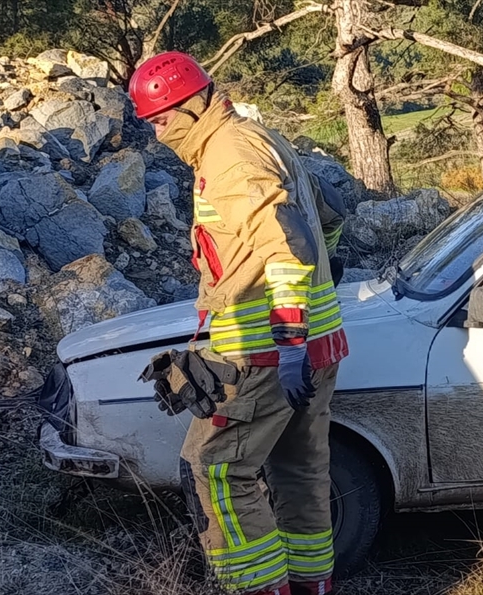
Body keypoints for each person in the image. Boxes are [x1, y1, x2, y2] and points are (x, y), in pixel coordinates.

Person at [129, 52, 349, 595]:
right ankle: (310, 586)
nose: (158, 136)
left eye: (160, 120)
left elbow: (283, 243)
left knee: (216, 472)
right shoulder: (259, 136)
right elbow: (328, 218)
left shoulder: (228, 155)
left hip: (264, 353)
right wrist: (313, 304)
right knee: (300, 473)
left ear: (193, 104)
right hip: (315, 347)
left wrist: (289, 334)